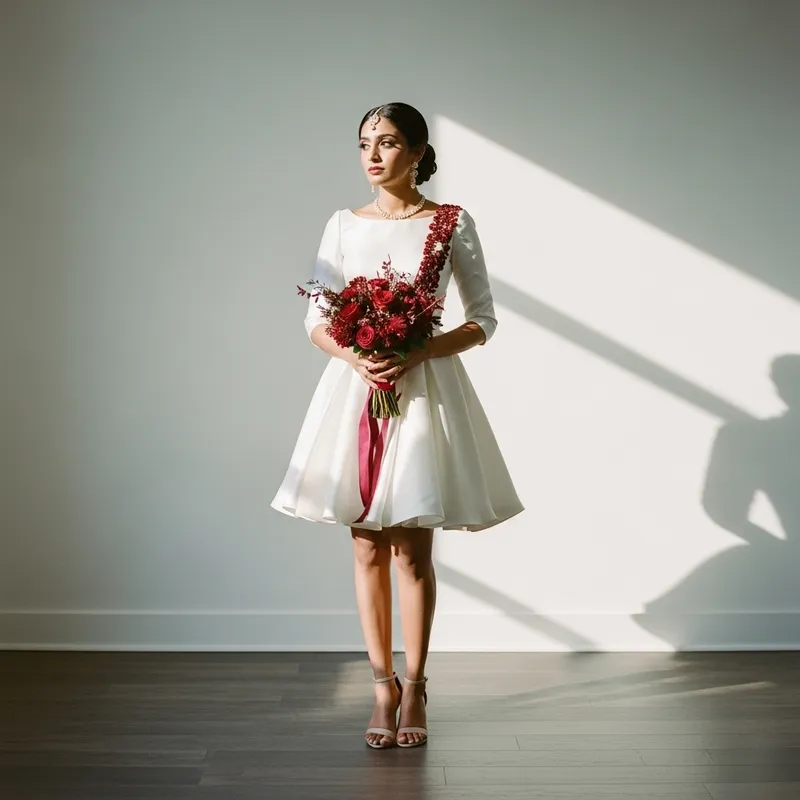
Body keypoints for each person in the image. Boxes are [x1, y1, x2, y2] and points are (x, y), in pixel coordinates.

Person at [271, 102, 524, 749]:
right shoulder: (342, 224)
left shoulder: (449, 223)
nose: (373, 156)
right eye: (364, 144)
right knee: (365, 544)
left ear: (417, 152)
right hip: (358, 392)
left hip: (423, 391)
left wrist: (419, 351)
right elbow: (316, 319)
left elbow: (484, 319)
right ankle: (381, 687)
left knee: (412, 548)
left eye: (387, 143)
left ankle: (416, 686)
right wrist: (358, 356)